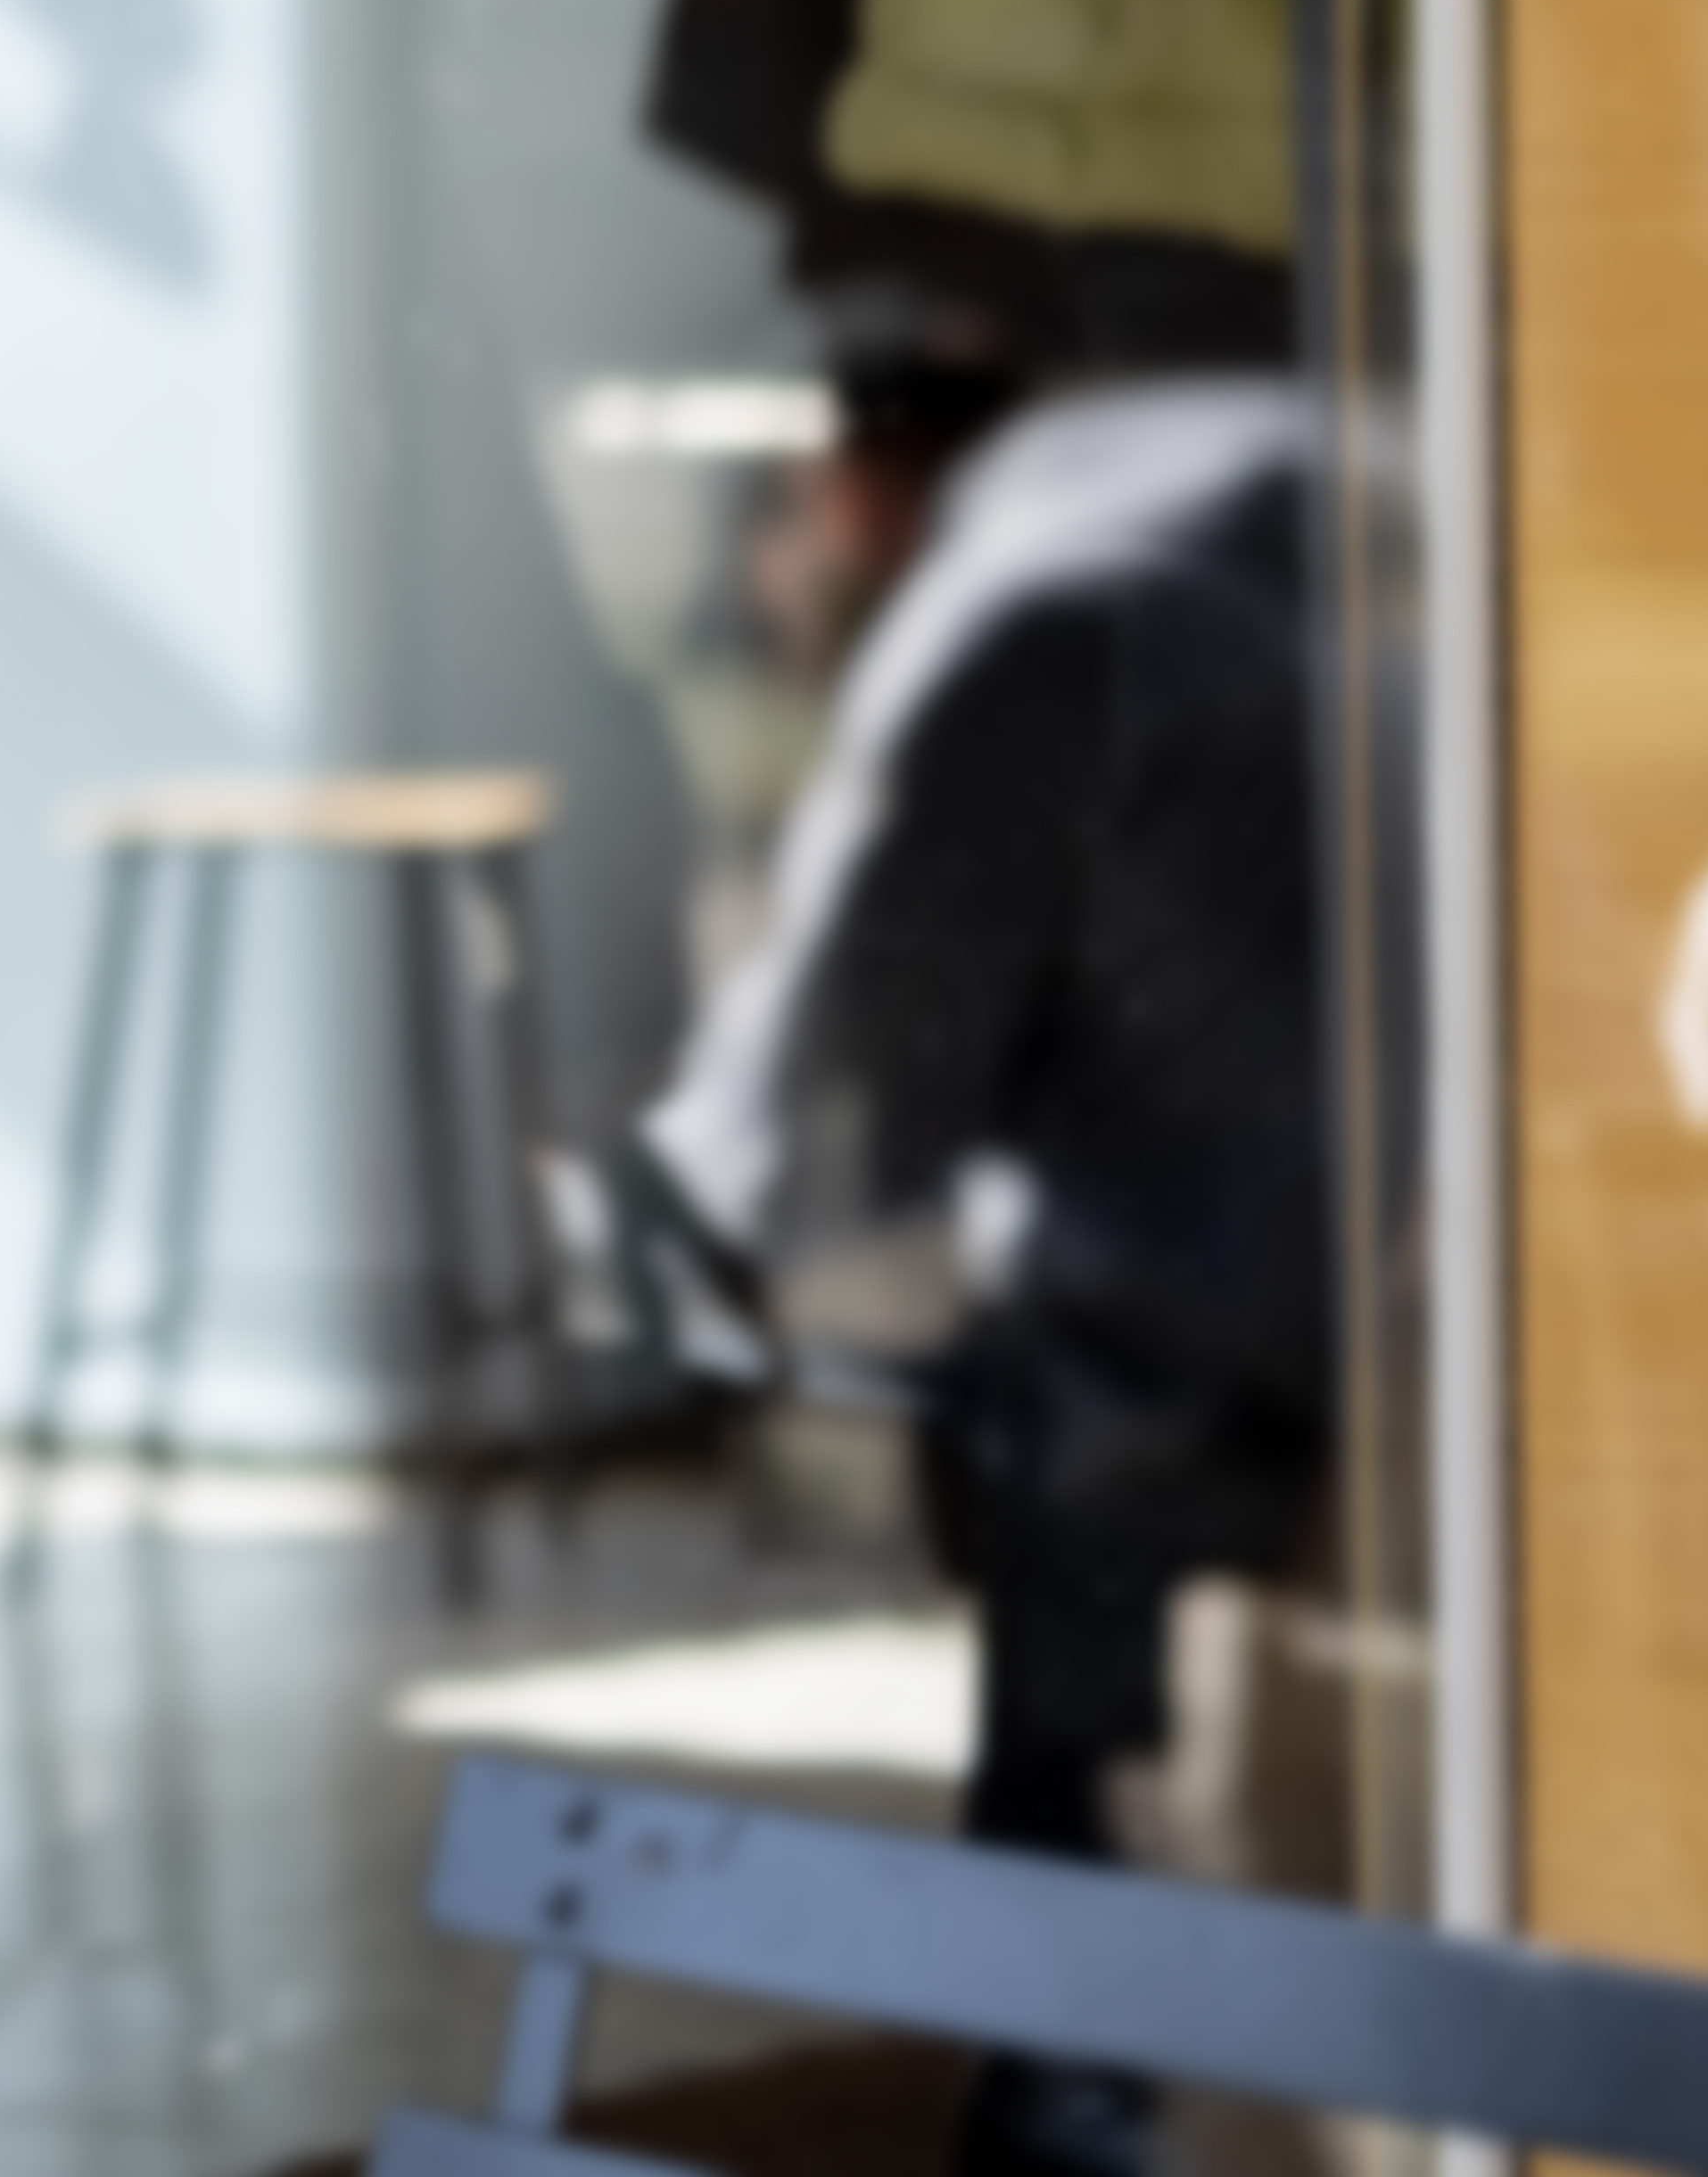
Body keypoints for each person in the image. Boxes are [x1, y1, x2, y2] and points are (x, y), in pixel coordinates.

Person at [636, 337, 1324, 2177]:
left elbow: (857, 1066)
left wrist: (670, 1218)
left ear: (861, 479)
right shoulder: (1266, 503)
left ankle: (1075, 2100)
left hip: (1180, 1340)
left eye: (795, 495)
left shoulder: (1028, 607)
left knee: (1068, 1803)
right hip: (1389, 1303)